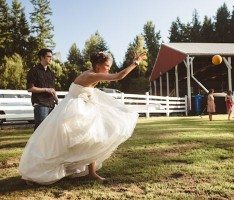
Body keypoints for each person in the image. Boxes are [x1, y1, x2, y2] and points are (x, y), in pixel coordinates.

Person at [19, 51, 147, 185]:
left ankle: (91, 172)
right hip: (75, 110)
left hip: (83, 106)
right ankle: (36, 173)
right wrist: (135, 63)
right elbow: (119, 76)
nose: (108, 69)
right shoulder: (91, 75)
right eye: (107, 66)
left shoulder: (93, 73)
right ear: (98, 65)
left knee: (94, 136)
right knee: (65, 142)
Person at [27, 48, 58, 130]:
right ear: (42, 57)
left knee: (49, 131)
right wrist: (46, 89)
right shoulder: (33, 71)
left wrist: (57, 101)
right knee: (40, 130)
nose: (51, 58)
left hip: (51, 104)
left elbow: (52, 90)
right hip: (40, 104)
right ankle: (35, 143)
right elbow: (30, 88)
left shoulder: (51, 73)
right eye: (48, 56)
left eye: (51, 56)